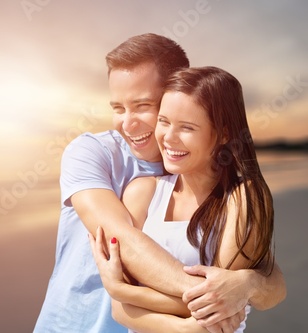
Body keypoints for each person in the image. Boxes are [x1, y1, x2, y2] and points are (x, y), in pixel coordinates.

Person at [34, 34, 286, 333]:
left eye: (142, 105)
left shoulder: (230, 193)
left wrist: (249, 283)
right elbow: (122, 241)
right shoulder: (92, 153)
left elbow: (264, 273)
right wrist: (215, 298)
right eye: (118, 108)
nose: (127, 123)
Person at [90, 66, 280, 332]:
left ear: (223, 134)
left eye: (187, 127)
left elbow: (216, 311)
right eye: (164, 121)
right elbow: (119, 311)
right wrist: (123, 297)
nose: (168, 137)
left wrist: (121, 289)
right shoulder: (142, 192)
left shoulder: (242, 198)